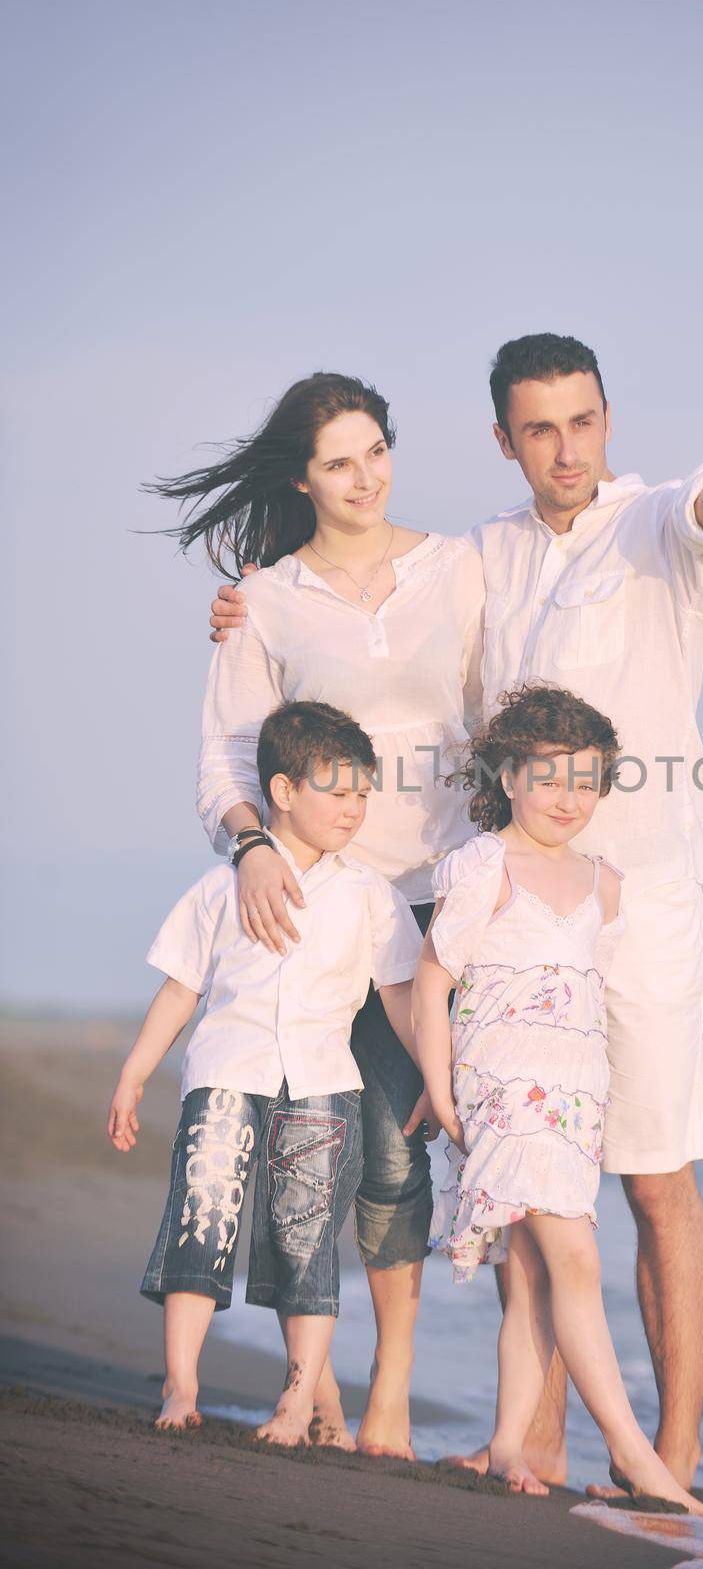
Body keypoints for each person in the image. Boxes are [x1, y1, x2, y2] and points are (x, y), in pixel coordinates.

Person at [210, 336, 703, 1492]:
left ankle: (673, 1455)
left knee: (653, 1178)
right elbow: (364, 614)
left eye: (583, 422)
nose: (566, 449)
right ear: (504, 439)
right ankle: (536, 1440)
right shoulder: (481, 555)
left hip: (635, 902)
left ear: (608, 419)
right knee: (526, 1170)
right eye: (540, 429)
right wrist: (246, 604)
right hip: (503, 904)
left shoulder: (654, 525)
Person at [153, 371, 484, 1457]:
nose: (363, 476)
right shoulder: (268, 597)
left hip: (422, 908)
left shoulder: (461, 571)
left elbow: (497, 715)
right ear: (302, 476)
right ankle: (314, 1385)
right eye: (337, 460)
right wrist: (249, 841)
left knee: (388, 1156)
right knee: (302, 1148)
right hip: (299, 903)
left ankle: (384, 1387)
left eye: (375, 450)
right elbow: (226, 752)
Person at [413, 684, 703, 1516]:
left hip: (575, 1098)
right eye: (548, 780)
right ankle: (634, 1452)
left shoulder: (603, 882)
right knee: (577, 1260)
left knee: (540, 1271)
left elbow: (588, 996)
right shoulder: (478, 867)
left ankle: (511, 1441)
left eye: (585, 783)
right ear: (508, 775)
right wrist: (439, 1091)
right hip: (504, 1089)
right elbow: (433, 978)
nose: (567, 800)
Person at [106, 701, 424, 1443]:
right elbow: (181, 988)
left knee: (305, 1242)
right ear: (283, 791)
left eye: (362, 794)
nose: (354, 809)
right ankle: (180, 1386)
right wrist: (133, 1075)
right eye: (336, 791)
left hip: (321, 1085)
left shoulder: (370, 896)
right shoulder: (221, 887)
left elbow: (403, 1003)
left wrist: (435, 1083)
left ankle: (295, 1404)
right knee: (201, 1219)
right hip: (224, 1072)